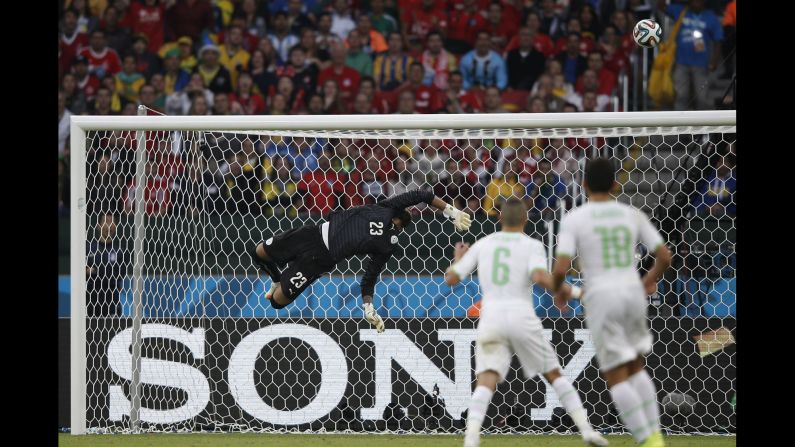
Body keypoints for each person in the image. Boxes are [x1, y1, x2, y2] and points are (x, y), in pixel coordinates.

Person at [445, 197, 608, 447]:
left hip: (492, 317)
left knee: (487, 378)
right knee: (554, 374)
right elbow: (541, 278)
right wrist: (574, 292)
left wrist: (458, 259)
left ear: (499, 218)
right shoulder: (532, 245)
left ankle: (471, 438)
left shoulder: (483, 244)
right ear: (525, 219)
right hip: (521, 316)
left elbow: (451, 279)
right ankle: (587, 431)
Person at [552, 158, 672, 447]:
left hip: (602, 296)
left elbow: (561, 267)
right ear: (616, 185)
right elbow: (665, 256)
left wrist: (559, 290)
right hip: (631, 292)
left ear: (584, 185)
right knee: (636, 367)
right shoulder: (631, 213)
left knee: (616, 375)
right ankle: (655, 436)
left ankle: (648, 441)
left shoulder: (575, 218)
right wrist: (645, 281)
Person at [251, 190, 472, 332]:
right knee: (258, 252)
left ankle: (283, 279)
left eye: (398, 228)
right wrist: (449, 211)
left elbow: (370, 276)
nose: (395, 227)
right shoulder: (386, 207)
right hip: (312, 235)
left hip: (319, 260)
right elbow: (422, 195)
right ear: (397, 214)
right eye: (397, 223)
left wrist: (368, 306)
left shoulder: (387, 245)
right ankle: (277, 277)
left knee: (277, 302)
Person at [86, 213, 127, 317]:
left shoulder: (120, 251)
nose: (109, 225)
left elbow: (118, 275)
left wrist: (95, 271)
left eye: (112, 222)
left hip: (112, 303)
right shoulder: (88, 249)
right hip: (91, 302)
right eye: (106, 221)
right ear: (98, 226)